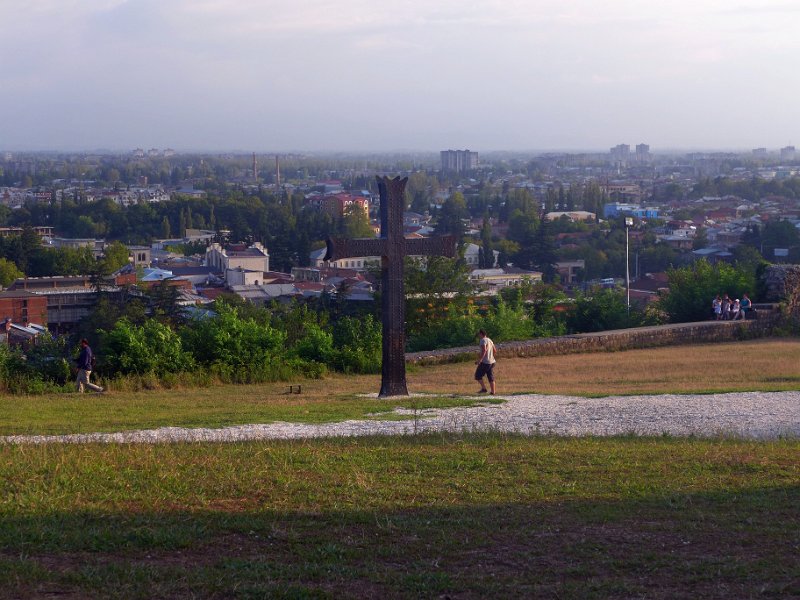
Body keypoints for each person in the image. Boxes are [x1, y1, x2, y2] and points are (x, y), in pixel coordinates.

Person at [474, 329, 497, 395]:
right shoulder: (489, 340)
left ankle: (484, 389)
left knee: (477, 375)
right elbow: (495, 350)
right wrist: (491, 357)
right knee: (490, 376)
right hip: (492, 362)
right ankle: (493, 392)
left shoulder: (483, 340)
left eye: (478, 334)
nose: (478, 335)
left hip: (485, 362)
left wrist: (480, 360)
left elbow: (484, 350)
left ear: (481, 334)